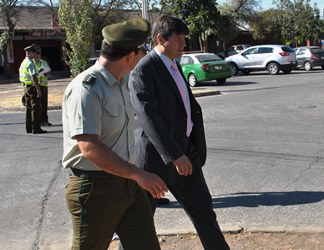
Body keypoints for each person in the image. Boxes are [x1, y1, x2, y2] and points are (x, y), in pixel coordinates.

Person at [62, 18, 168, 250]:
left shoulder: (122, 81)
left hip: (127, 184)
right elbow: (89, 148)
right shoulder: (87, 88)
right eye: (142, 51)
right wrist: (139, 174)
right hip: (94, 189)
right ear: (130, 56)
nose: (143, 55)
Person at [129, 14, 230, 250]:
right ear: (160, 39)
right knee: (139, 223)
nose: (184, 44)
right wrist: (174, 155)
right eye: (179, 39)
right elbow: (148, 118)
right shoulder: (143, 70)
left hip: (185, 153)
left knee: (204, 212)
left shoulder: (174, 64)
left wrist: (187, 149)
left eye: (185, 39)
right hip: (155, 160)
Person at [19, 43, 47, 134]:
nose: (35, 55)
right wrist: (38, 89)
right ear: (29, 53)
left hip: (25, 87)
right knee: (36, 108)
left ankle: (29, 128)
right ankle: (36, 128)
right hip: (32, 88)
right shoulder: (30, 63)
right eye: (34, 53)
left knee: (28, 108)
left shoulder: (23, 62)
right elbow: (34, 77)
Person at [34, 46, 52, 126]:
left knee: (44, 104)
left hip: (44, 86)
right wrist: (39, 72)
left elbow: (48, 71)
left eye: (39, 54)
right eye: (36, 54)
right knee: (37, 105)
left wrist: (45, 72)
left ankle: (45, 120)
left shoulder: (43, 62)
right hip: (35, 86)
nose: (38, 56)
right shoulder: (31, 63)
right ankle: (37, 121)